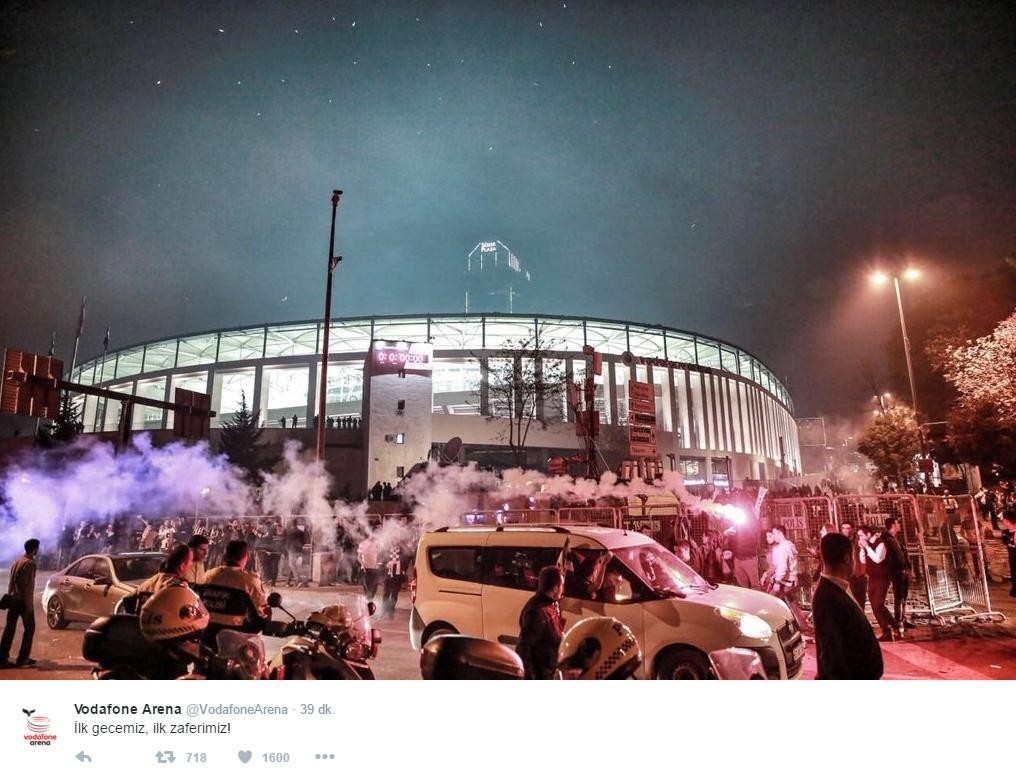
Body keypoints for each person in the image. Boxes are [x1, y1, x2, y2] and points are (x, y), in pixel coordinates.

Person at [812, 533, 883, 679]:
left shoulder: (839, 588)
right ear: (847, 558)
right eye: (853, 557)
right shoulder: (829, 597)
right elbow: (833, 655)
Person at [516, 565, 565, 680]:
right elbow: (523, 648)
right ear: (555, 588)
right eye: (561, 585)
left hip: (551, 671)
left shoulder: (551, 605)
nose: (563, 589)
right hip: (541, 675)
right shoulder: (536, 612)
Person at [765, 526, 813, 634]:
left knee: (769, 601)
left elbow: (782, 566)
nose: (773, 536)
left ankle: (776, 627)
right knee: (793, 604)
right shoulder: (786, 546)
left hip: (784, 582)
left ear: (779, 533)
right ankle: (804, 627)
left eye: (774, 533)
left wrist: (777, 581)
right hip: (789, 580)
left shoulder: (784, 547)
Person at [203, 540, 270, 619]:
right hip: (235, 626)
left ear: (225, 556)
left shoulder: (208, 575)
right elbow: (261, 609)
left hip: (208, 624)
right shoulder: (250, 580)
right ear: (247, 556)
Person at [1, 539, 40, 668]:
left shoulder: (17, 561)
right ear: (34, 549)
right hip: (22, 602)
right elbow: (27, 587)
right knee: (30, 628)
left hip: (13, 599)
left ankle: (2, 658)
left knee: (9, 629)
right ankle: (23, 658)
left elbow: (12, 583)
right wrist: (29, 607)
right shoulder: (29, 564)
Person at [859, 526, 900, 641]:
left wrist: (867, 547)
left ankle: (895, 625)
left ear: (868, 535)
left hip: (882, 577)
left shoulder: (880, 543)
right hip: (872, 576)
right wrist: (863, 549)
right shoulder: (867, 546)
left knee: (878, 604)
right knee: (874, 605)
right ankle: (886, 630)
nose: (860, 538)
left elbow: (878, 559)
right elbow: (863, 561)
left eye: (861, 535)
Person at [884, 519, 913, 632]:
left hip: (903, 571)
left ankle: (903, 618)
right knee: (899, 597)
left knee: (903, 597)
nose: (899, 525)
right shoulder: (887, 539)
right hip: (897, 572)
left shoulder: (894, 539)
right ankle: (899, 620)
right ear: (893, 525)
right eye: (897, 523)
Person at [839, 521, 868, 609]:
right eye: (843, 528)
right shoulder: (840, 542)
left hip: (860, 574)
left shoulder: (858, 541)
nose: (846, 531)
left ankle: (860, 619)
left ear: (853, 529)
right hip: (847, 575)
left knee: (861, 599)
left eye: (848, 528)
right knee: (849, 600)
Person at [357, 531, 382, 601]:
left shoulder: (377, 544)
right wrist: (362, 564)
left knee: (374, 587)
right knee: (367, 588)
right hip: (366, 569)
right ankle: (368, 602)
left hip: (375, 568)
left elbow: (380, 555)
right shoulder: (363, 544)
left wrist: (379, 563)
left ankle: (369, 600)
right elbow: (358, 557)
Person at [1002, 510, 1016, 598]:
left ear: (1008, 520)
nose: (1002, 521)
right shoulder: (1005, 532)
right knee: (1014, 572)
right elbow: (1005, 543)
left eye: (1003, 519)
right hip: (1012, 556)